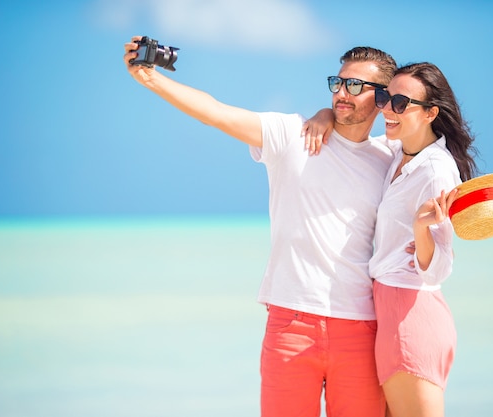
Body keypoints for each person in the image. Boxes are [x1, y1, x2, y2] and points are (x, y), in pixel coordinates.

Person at [123, 37, 398, 417]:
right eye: (337, 83)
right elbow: (215, 112)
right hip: (290, 323)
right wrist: (150, 79)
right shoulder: (292, 135)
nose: (341, 93)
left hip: (362, 328)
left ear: (383, 99)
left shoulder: (391, 159)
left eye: (355, 86)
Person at [305, 62, 478, 417]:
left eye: (400, 103)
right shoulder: (399, 150)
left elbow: (440, 268)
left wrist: (420, 229)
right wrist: (324, 114)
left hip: (410, 314)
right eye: (385, 97)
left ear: (431, 113)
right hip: (391, 312)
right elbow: (352, 133)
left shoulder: (435, 170)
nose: (387, 109)